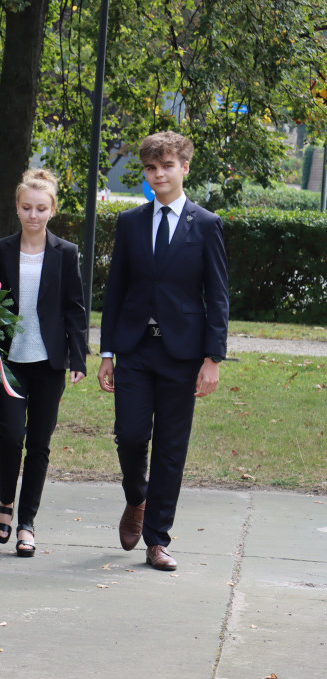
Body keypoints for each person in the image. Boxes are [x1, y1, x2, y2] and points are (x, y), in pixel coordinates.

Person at [97, 131, 228, 571]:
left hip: (183, 354)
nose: (159, 175)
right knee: (131, 435)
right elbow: (115, 292)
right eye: (151, 168)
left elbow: (218, 297)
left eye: (167, 166)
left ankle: (157, 539)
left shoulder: (206, 225)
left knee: (172, 447)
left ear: (184, 168)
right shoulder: (131, 222)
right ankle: (137, 497)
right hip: (134, 349)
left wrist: (212, 358)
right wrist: (107, 352)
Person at [0, 169, 89, 558]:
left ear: (52, 210)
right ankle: (5, 503)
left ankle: (26, 522)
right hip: (9, 361)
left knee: (39, 444)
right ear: (17, 208)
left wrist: (78, 357)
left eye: (41, 208)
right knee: (11, 435)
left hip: (49, 361)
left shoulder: (65, 252)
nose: (33, 214)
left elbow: (74, 309)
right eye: (27, 207)